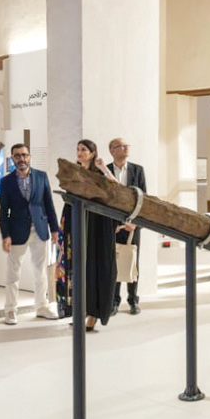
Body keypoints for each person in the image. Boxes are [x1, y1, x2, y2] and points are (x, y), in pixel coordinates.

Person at [0, 143, 61, 323]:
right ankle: (10, 310)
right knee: (13, 273)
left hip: (40, 229)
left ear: (29, 156)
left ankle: (41, 307)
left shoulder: (41, 176)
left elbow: (48, 204)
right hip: (17, 232)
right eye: (17, 155)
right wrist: (5, 235)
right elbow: (4, 211)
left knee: (40, 271)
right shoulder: (6, 182)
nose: (21, 159)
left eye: (24, 155)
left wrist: (54, 229)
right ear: (12, 158)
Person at [61, 140, 120, 329]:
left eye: (84, 150)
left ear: (93, 153)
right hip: (77, 222)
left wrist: (104, 168)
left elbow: (117, 188)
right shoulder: (75, 172)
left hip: (97, 225)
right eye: (78, 149)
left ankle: (94, 314)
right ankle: (81, 311)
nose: (79, 153)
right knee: (79, 270)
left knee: (95, 268)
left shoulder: (99, 173)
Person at [107, 137, 147, 315]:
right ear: (112, 150)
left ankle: (133, 300)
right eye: (120, 146)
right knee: (113, 262)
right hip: (112, 226)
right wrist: (110, 225)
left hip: (132, 225)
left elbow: (144, 199)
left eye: (126, 145)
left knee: (132, 262)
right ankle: (114, 302)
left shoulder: (137, 170)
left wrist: (136, 224)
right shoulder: (105, 171)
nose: (125, 148)